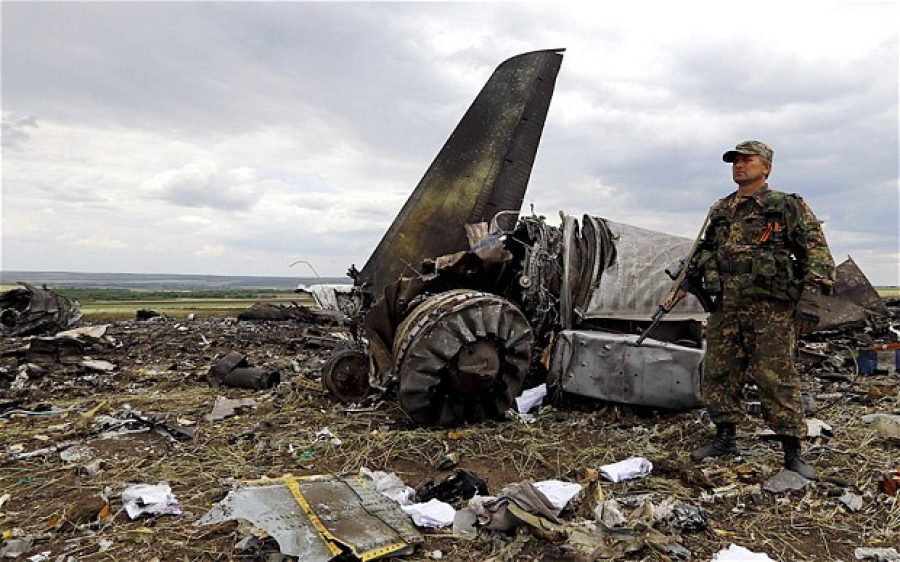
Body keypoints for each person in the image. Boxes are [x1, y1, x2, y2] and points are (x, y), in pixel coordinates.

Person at [661, 140, 835, 480]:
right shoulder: (721, 209)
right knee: (719, 373)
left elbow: (816, 252)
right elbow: (702, 253)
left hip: (771, 310)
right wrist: (680, 288)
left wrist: (811, 300)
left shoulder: (786, 206)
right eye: (735, 161)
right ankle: (725, 438)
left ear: (766, 167)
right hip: (727, 307)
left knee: (777, 378)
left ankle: (792, 452)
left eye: (747, 160)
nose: (739, 166)